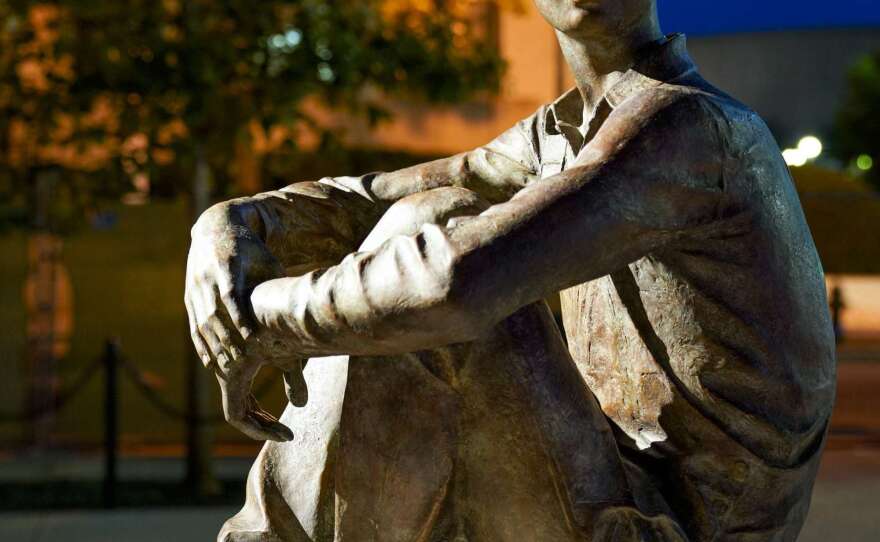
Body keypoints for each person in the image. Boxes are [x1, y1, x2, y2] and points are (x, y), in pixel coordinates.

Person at [185, 1, 836, 540]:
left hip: (676, 524)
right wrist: (227, 227)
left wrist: (258, 319)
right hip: (607, 476)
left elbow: (455, 286)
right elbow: (369, 197)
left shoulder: (692, 128)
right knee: (432, 210)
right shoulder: (562, 134)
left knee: (431, 240)